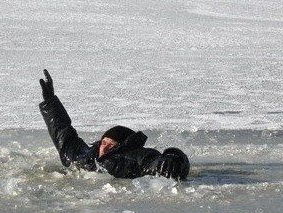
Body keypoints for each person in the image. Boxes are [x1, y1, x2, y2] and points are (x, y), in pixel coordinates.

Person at [38, 69, 189, 180]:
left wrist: (172, 158)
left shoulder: (136, 155)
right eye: (104, 142)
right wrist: (50, 102)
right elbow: (64, 134)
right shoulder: (86, 156)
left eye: (112, 143)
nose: (105, 147)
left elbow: (156, 161)